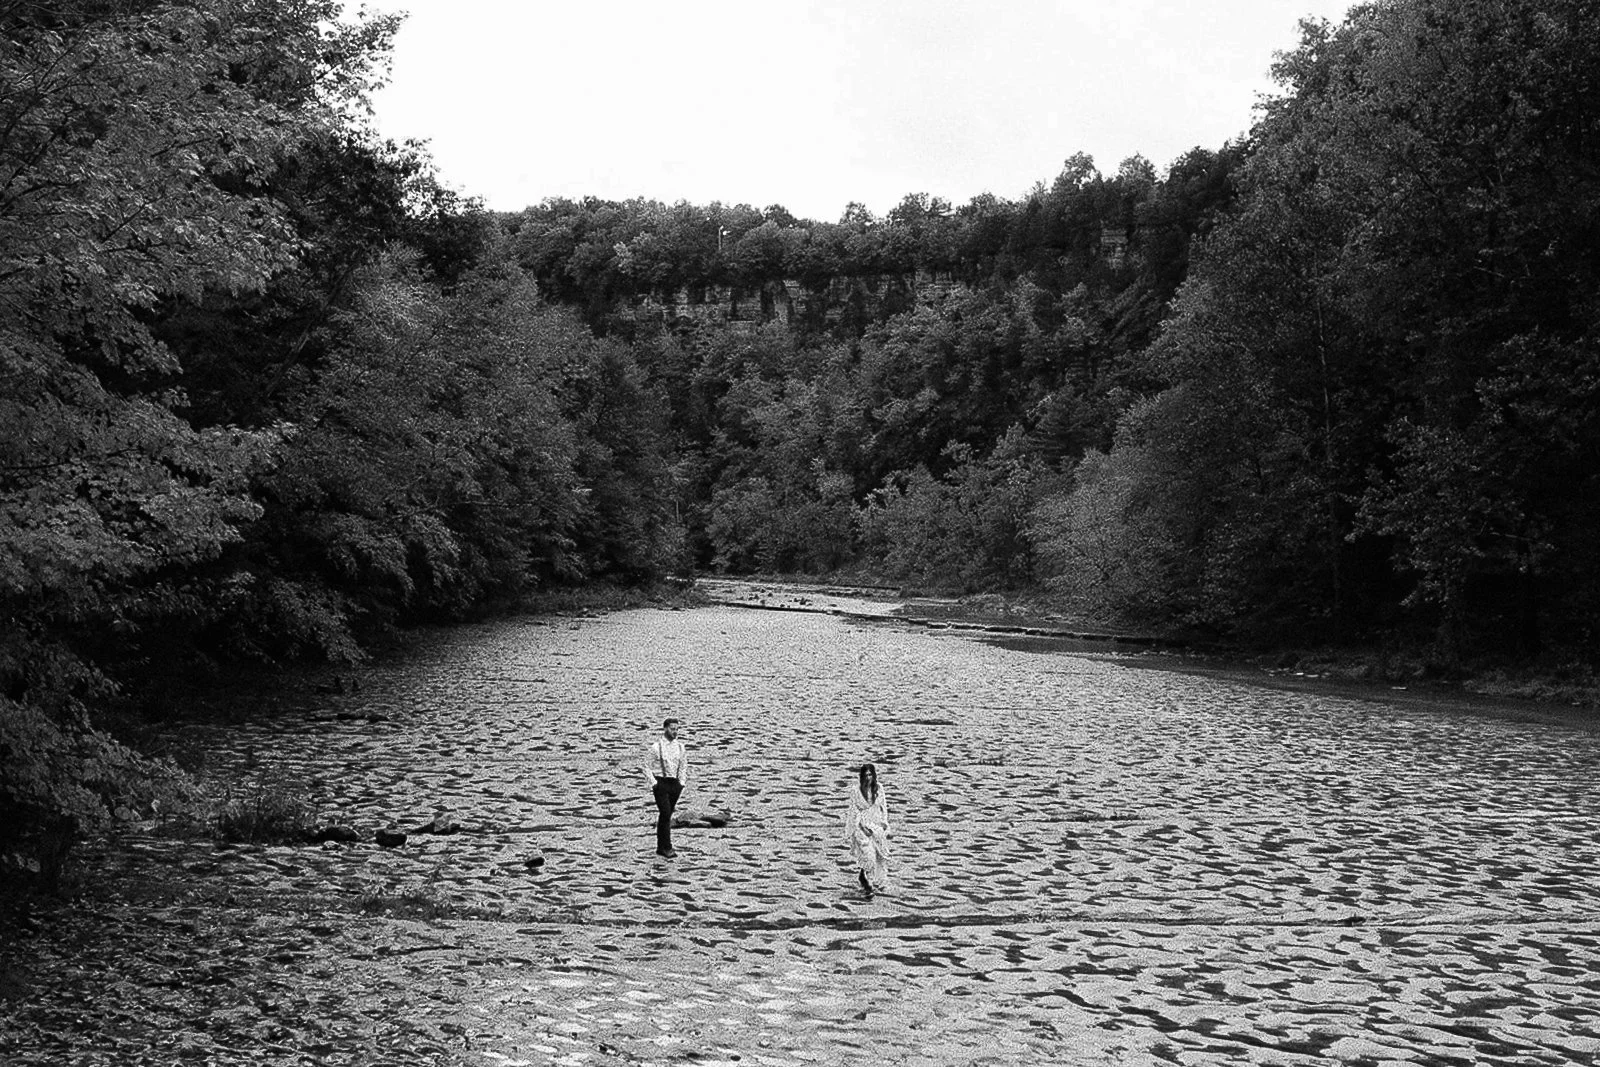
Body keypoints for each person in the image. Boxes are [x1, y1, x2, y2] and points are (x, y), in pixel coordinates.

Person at [643, 717, 689, 858]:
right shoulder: (656, 747)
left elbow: (683, 766)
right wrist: (654, 783)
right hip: (661, 783)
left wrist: (681, 783)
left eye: (676, 729)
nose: (675, 732)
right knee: (665, 813)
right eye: (672, 729)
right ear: (665, 729)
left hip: (675, 784)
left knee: (666, 816)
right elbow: (645, 766)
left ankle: (660, 847)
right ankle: (667, 847)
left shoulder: (680, 747)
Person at [844, 763, 890, 894]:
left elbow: (884, 808)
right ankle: (866, 878)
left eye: (870, 775)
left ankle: (877, 882)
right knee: (868, 855)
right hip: (861, 826)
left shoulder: (879, 788)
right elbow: (854, 811)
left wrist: (884, 824)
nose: (868, 778)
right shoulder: (855, 791)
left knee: (880, 855)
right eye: (865, 775)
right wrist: (862, 827)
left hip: (876, 826)